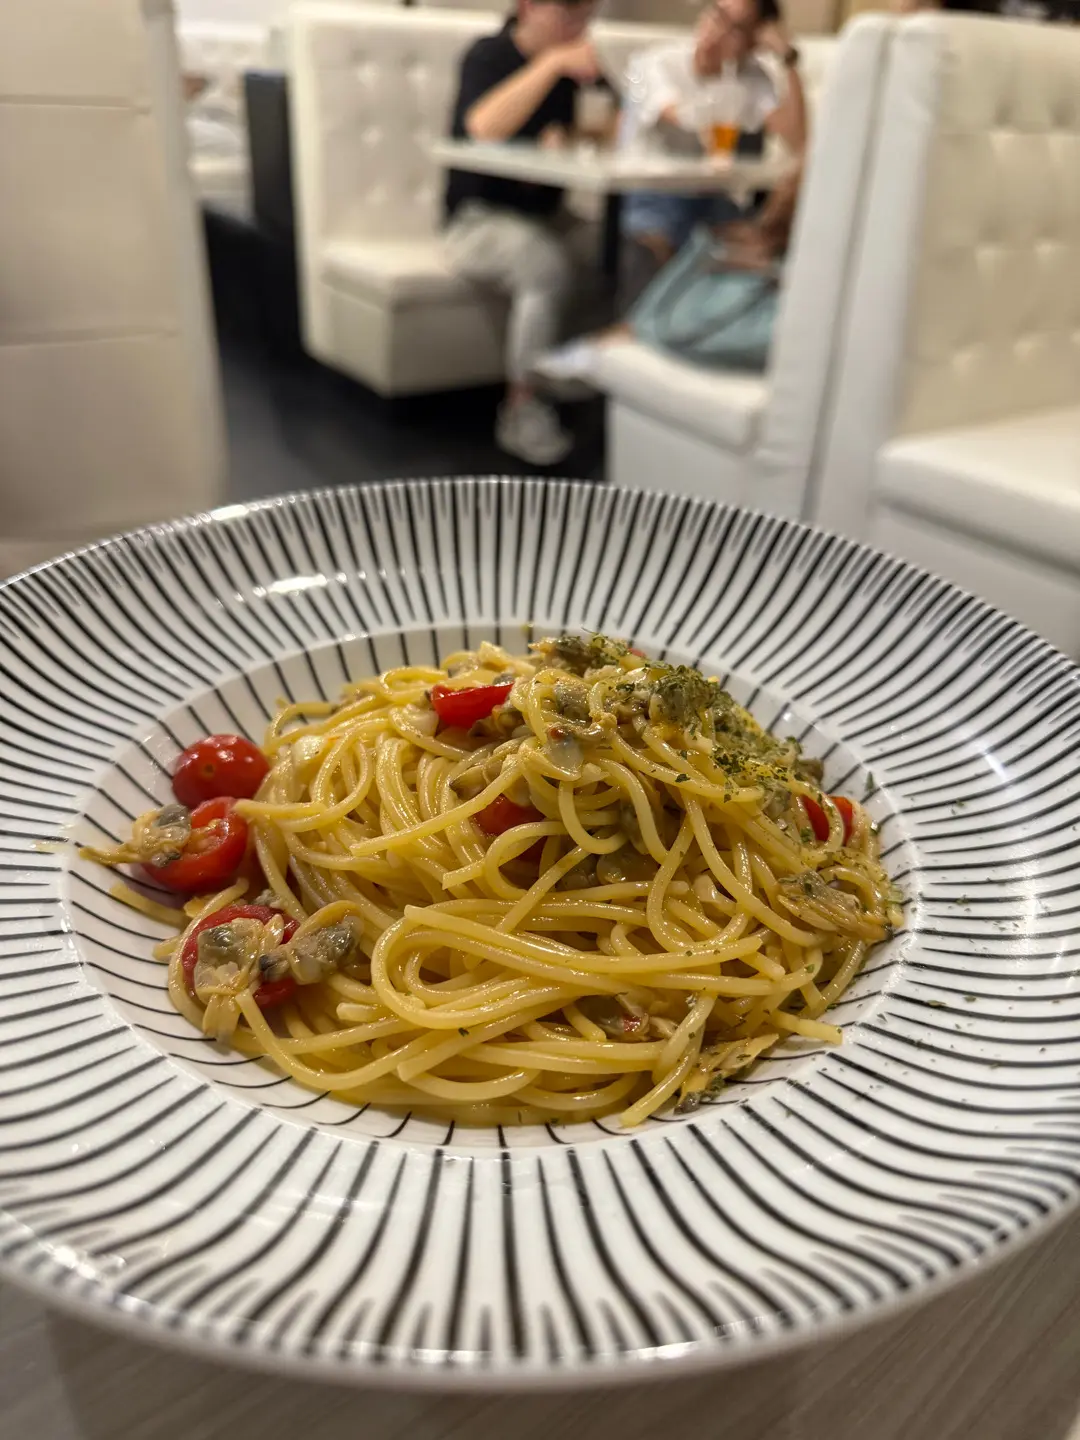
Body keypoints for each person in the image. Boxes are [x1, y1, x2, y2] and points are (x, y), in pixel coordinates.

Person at [442, 0, 603, 466]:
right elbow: (482, 127)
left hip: (549, 215)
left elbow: (622, 110)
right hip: (476, 219)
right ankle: (522, 405)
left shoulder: (578, 63)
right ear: (529, 6)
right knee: (544, 262)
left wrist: (578, 135)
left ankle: (590, 382)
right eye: (568, 14)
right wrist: (551, 65)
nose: (577, 26)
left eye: (585, 16)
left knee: (614, 246)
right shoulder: (488, 55)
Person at [616, 0, 806, 304]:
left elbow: (798, 139)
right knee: (655, 253)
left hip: (714, 199)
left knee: (765, 250)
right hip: (653, 196)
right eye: (717, 14)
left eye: (735, 28)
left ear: (753, 41)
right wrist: (724, 103)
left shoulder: (750, 78)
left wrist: (788, 58)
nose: (717, 31)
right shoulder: (655, 63)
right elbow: (679, 114)